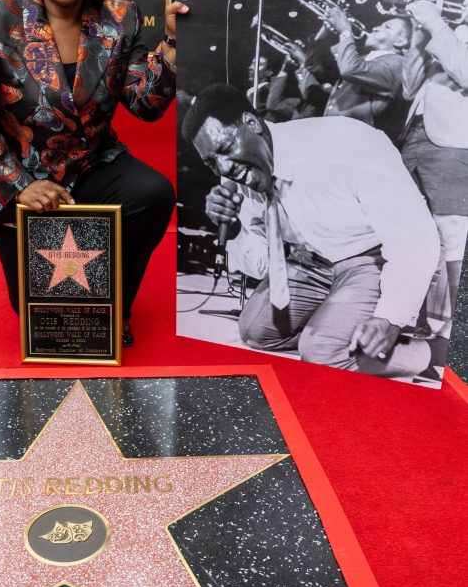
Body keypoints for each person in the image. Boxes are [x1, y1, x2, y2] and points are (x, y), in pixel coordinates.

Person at [0, 0, 195, 346]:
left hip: (92, 167)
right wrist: (20, 184)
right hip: (23, 181)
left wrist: (173, 44)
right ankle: (85, 299)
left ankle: (112, 304)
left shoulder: (118, 19)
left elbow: (145, 104)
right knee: (32, 312)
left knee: (154, 195)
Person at [181, 84, 440, 379]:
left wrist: (390, 317)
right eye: (211, 162)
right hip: (314, 260)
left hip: (373, 257)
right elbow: (262, 266)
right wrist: (237, 228)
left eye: (226, 149)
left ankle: (422, 353)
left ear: (251, 123)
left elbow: (413, 236)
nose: (224, 167)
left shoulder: (343, 141)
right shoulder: (244, 177)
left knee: (319, 351)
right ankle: (339, 338)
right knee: (254, 331)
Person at [400, 0, 468, 343]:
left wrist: (437, 24)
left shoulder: (448, 30)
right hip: (415, 134)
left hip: (453, 141)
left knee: (453, 236)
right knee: (411, 232)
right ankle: (414, 320)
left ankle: (456, 341)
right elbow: (409, 88)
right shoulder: (449, 30)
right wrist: (417, 32)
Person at [318, 5, 412, 142]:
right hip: (333, 135)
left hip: (355, 142)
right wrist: (326, 27)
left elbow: (350, 69)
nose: (375, 28)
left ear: (400, 41)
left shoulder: (399, 64)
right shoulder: (363, 58)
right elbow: (313, 65)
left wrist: (345, 31)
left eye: (387, 27)